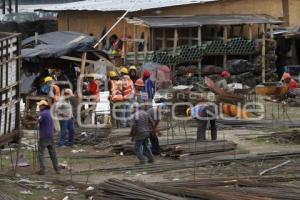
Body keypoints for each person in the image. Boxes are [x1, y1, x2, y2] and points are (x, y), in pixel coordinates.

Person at [37, 100, 59, 175]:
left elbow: (38, 121)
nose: (39, 107)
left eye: (40, 106)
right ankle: (57, 169)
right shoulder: (50, 113)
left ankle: (42, 170)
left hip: (44, 136)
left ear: (43, 106)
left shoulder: (42, 114)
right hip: (51, 135)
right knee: (53, 153)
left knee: (41, 153)